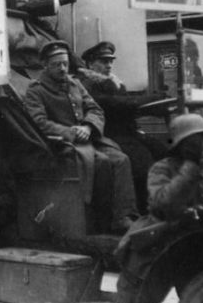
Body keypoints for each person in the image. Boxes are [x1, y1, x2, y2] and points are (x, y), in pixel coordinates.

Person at [42, 113, 203, 303]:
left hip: (187, 251)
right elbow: (162, 205)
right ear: (181, 146)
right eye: (193, 142)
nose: (201, 148)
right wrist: (189, 172)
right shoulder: (163, 169)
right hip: (151, 253)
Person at [24, 41, 139, 233]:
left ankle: (124, 216)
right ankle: (99, 224)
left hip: (89, 138)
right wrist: (73, 132)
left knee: (121, 159)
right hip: (65, 143)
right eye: (56, 65)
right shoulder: (36, 90)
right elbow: (39, 122)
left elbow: (95, 108)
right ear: (46, 66)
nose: (62, 69)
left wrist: (88, 126)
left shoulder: (75, 84)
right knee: (101, 163)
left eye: (65, 64)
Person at [77, 41, 169, 213]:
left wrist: (159, 106)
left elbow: (128, 107)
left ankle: (166, 202)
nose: (109, 65)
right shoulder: (87, 85)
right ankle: (146, 211)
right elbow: (117, 104)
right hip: (108, 135)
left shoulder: (114, 83)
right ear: (90, 63)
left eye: (111, 61)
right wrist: (150, 99)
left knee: (163, 152)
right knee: (143, 163)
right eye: (104, 61)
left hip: (128, 133)